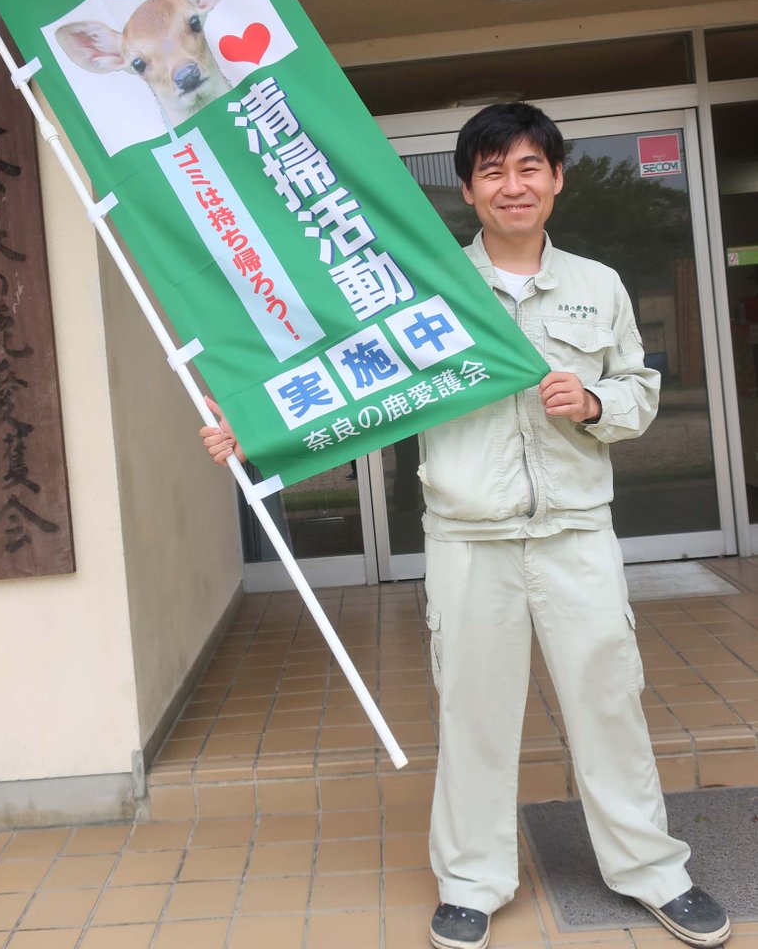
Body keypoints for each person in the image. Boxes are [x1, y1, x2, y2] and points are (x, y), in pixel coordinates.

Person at [199, 103, 731, 949]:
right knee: (476, 715)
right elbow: (353, 385)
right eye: (492, 170)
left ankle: (653, 871)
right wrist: (253, 428)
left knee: (609, 706)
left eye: (529, 167)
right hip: (469, 539)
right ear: (469, 189)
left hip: (574, 534)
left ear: (556, 179)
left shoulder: (599, 287)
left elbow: (640, 393)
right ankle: (473, 883)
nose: (512, 185)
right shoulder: (429, 291)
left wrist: (593, 403)